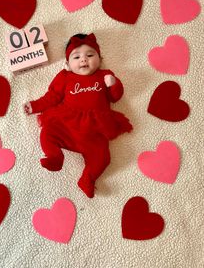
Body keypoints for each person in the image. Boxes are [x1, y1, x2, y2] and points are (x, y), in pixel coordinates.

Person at [24, 33, 133, 198]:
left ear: (100, 59)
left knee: (103, 157)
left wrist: (114, 84)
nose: (84, 60)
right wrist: (35, 106)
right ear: (67, 64)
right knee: (47, 132)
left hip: (94, 129)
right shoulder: (65, 77)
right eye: (77, 57)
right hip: (67, 124)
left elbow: (115, 97)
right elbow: (52, 96)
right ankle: (55, 156)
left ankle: (87, 179)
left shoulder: (105, 75)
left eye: (90, 55)